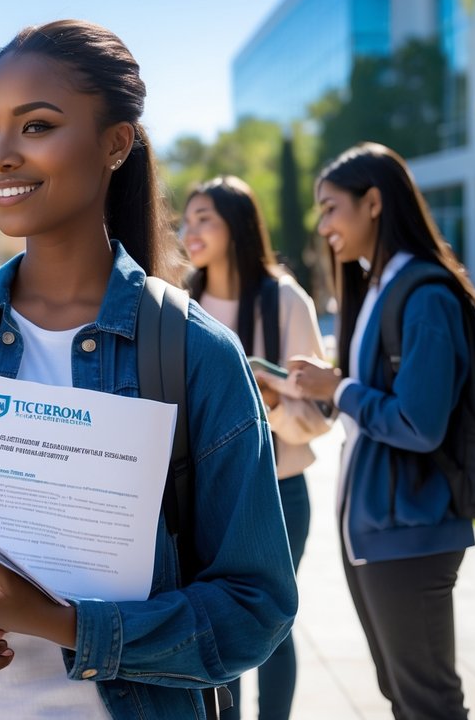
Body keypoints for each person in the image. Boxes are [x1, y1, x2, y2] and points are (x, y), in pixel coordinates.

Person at [0, 20, 297, 719]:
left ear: (115, 143)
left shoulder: (195, 354)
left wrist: (65, 624)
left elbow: (252, 608)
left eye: (36, 126)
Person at [290, 142, 475, 720]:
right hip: (375, 531)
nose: (323, 226)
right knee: (404, 698)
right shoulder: (376, 287)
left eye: (330, 209)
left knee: (428, 703)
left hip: (411, 533)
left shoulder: (423, 294)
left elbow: (419, 425)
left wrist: (339, 388)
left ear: (373, 203)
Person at [181, 176, 331, 720]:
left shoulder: (285, 298)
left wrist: (262, 399)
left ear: (238, 226)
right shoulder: (178, 298)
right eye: (188, 218)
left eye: (205, 219)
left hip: (278, 488)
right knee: (216, 626)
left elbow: (315, 416)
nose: (189, 230)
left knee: (269, 624)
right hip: (199, 493)